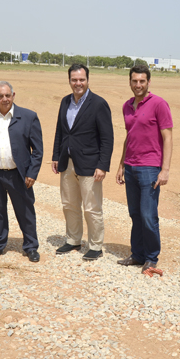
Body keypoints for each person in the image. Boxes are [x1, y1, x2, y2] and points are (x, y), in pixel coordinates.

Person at [0, 81, 43, 262]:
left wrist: (32, 173)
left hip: (19, 175)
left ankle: (30, 246)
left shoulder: (28, 116)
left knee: (25, 211)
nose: (5, 99)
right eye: (0, 96)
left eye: (7, 95)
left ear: (13, 95)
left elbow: (38, 150)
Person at [52, 64, 114, 261]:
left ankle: (95, 245)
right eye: (74, 80)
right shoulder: (65, 101)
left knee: (91, 207)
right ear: (69, 80)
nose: (78, 83)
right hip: (67, 162)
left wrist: (102, 165)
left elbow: (107, 138)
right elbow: (60, 131)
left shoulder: (99, 104)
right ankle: (73, 240)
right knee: (69, 204)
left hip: (90, 164)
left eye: (81, 79)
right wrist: (56, 155)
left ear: (88, 80)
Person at [116, 65, 173, 275]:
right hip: (131, 167)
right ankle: (138, 254)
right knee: (135, 214)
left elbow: (168, 137)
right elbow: (129, 136)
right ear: (130, 82)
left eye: (142, 81)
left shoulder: (159, 104)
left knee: (148, 215)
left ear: (149, 82)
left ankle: (151, 258)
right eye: (134, 81)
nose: (138, 85)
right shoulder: (127, 106)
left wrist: (165, 170)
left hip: (150, 167)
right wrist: (121, 164)